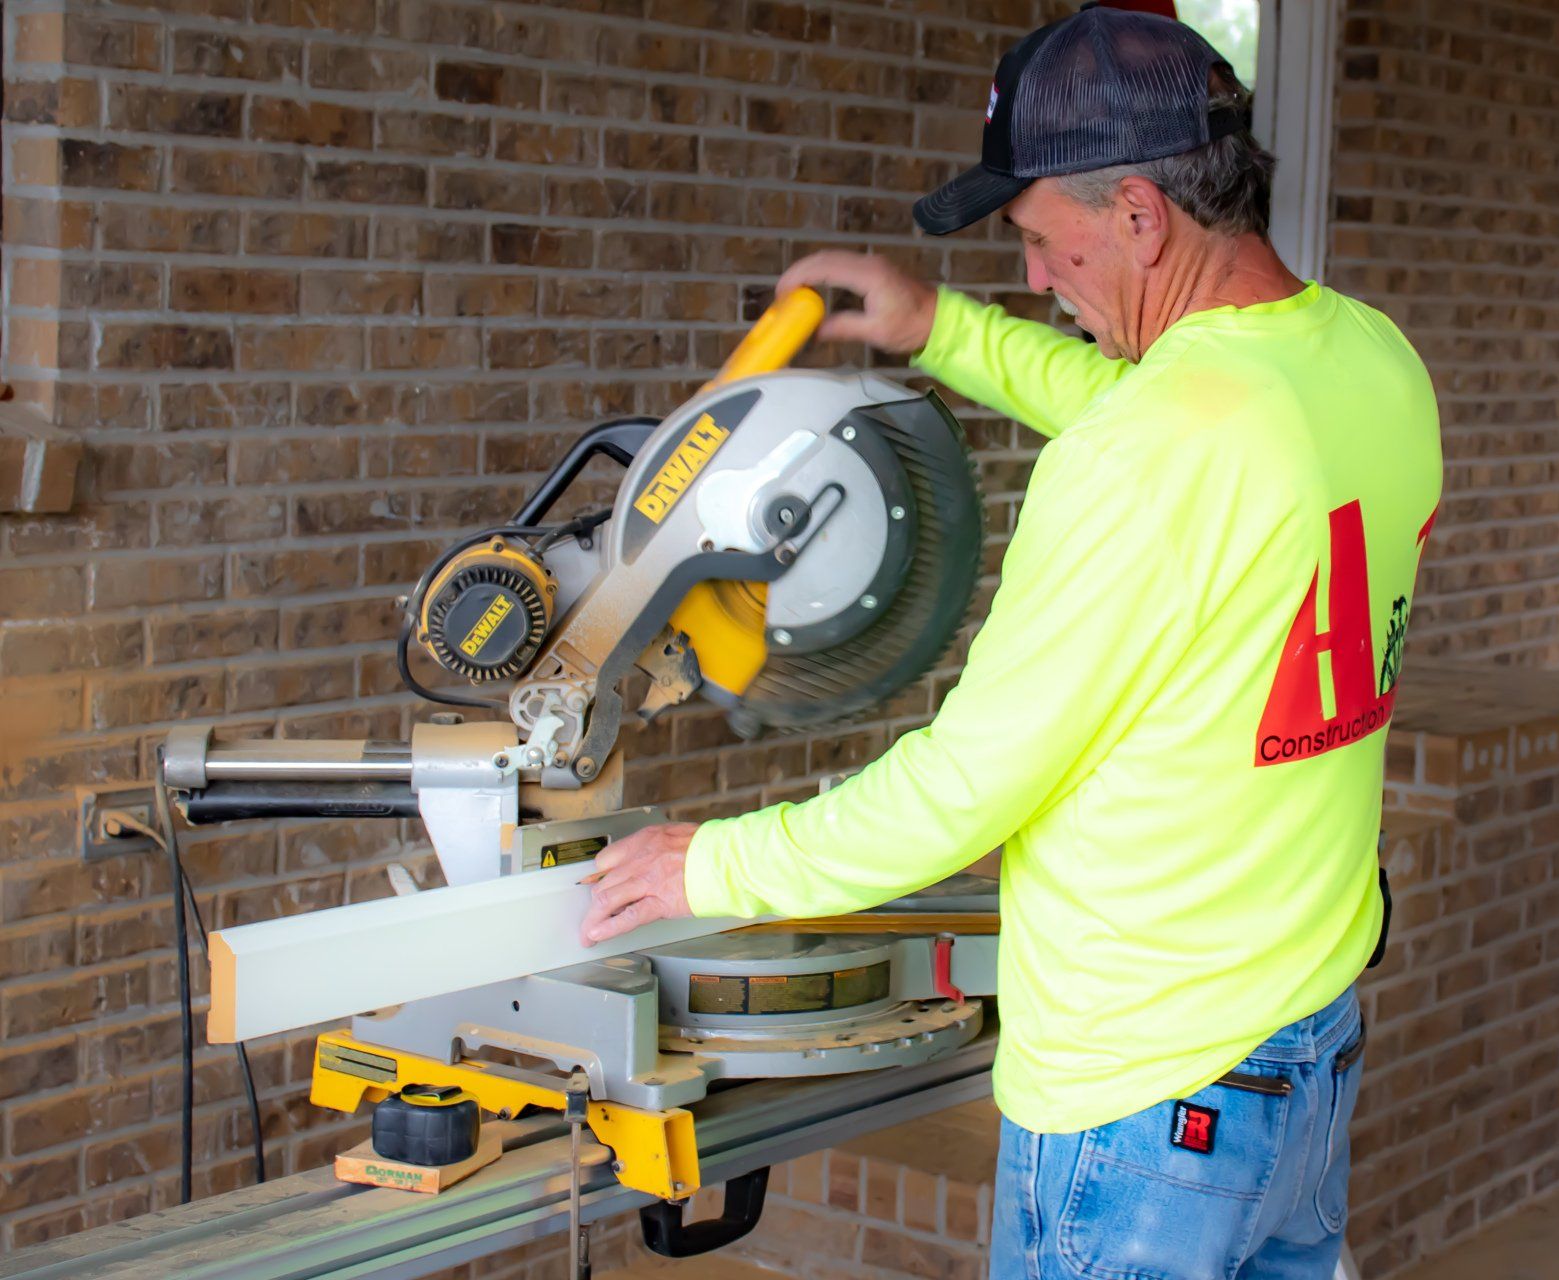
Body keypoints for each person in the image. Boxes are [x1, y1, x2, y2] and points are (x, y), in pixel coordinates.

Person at [578, 8, 1441, 1277]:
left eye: (1042, 241)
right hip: (1302, 1052)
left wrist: (714, 864)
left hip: (1144, 1104)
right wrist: (941, 328)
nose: (1034, 279)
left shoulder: (1143, 462)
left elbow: (958, 792)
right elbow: (1170, 412)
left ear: (1141, 214)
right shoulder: (1368, 362)